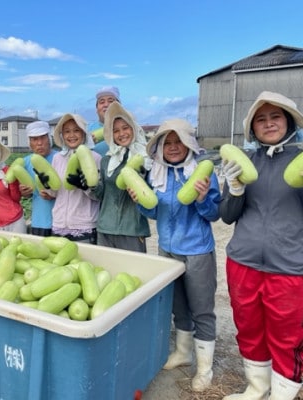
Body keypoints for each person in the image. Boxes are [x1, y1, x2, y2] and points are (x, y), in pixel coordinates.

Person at [220, 91, 303, 400]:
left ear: (290, 122)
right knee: (249, 328)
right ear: (252, 128)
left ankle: (283, 394)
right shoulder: (243, 162)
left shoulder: (300, 161)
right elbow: (227, 217)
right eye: (261, 119)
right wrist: (235, 189)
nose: (269, 124)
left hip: (290, 267)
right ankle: (256, 388)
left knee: (288, 336)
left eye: (276, 117)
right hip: (243, 262)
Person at [135, 119, 220, 392]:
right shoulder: (157, 173)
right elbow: (153, 213)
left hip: (197, 249)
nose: (173, 147)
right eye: (167, 143)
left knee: (202, 309)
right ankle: (183, 354)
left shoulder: (202, 173)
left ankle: (205, 368)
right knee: (178, 305)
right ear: (160, 147)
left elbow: (213, 214)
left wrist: (202, 198)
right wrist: (139, 202)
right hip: (167, 249)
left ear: (188, 144)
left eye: (178, 142)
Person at [91, 101, 152, 252]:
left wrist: (143, 180)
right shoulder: (107, 160)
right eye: (116, 131)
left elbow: (153, 194)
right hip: (105, 228)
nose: (121, 134)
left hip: (133, 229)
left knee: (134, 273)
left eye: (125, 128)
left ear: (134, 129)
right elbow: (101, 194)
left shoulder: (147, 158)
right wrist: (89, 185)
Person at [49, 113, 101, 243]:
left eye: (76, 130)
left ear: (84, 133)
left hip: (84, 226)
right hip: (59, 224)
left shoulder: (95, 158)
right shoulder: (57, 158)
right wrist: (47, 184)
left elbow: (99, 195)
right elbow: (55, 193)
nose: (71, 135)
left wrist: (85, 187)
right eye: (67, 131)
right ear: (62, 135)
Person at [19, 121, 57, 236]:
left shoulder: (60, 158)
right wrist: (24, 193)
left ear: (49, 139)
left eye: (43, 138)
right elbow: (27, 194)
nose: (39, 143)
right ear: (29, 143)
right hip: (38, 221)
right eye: (34, 139)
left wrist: (54, 193)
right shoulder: (25, 163)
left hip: (61, 223)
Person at [87, 86, 120, 156]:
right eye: (102, 102)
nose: (106, 105)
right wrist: (85, 143)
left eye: (111, 101)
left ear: (119, 107)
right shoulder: (86, 130)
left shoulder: (127, 128)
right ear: (96, 109)